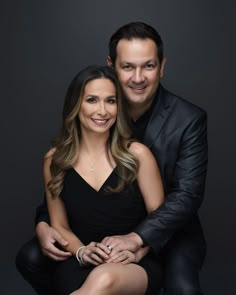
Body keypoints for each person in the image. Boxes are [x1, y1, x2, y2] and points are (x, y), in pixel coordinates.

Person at [16, 22, 208, 294]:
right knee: (32, 258)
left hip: (166, 232)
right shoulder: (92, 114)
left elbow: (186, 196)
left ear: (162, 66)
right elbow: (66, 191)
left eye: (149, 66)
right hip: (90, 238)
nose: (138, 77)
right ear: (113, 65)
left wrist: (139, 241)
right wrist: (45, 225)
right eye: (128, 66)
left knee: (182, 289)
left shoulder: (186, 121)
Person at [26, 65, 165, 295]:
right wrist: (81, 252)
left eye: (110, 101)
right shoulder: (54, 160)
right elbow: (60, 225)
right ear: (75, 105)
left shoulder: (138, 155)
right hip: (81, 261)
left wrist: (138, 251)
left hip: (132, 264)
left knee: (104, 278)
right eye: (92, 100)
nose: (103, 111)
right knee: (90, 280)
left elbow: (160, 221)